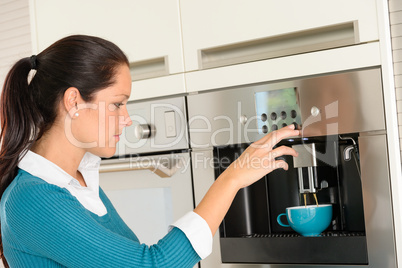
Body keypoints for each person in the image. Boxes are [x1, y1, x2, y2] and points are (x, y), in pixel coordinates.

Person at [0, 35, 299, 268]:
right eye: (118, 103)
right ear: (74, 102)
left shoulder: (80, 183)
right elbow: (150, 264)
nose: (127, 118)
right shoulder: (32, 198)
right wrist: (231, 179)